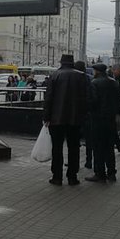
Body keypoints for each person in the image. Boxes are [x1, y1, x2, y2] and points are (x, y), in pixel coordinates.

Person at [42, 54, 88, 186]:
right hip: (75, 119)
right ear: (72, 62)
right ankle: (72, 177)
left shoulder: (55, 75)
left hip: (56, 119)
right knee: (74, 148)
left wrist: (46, 117)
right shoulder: (81, 76)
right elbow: (85, 98)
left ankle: (57, 177)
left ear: (61, 62)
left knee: (57, 148)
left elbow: (49, 98)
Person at [86, 63, 119, 182]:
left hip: (98, 119)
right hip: (110, 119)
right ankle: (111, 172)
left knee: (98, 147)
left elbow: (93, 101)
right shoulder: (114, 82)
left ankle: (99, 173)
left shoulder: (94, 83)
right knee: (109, 147)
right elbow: (118, 100)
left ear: (97, 71)